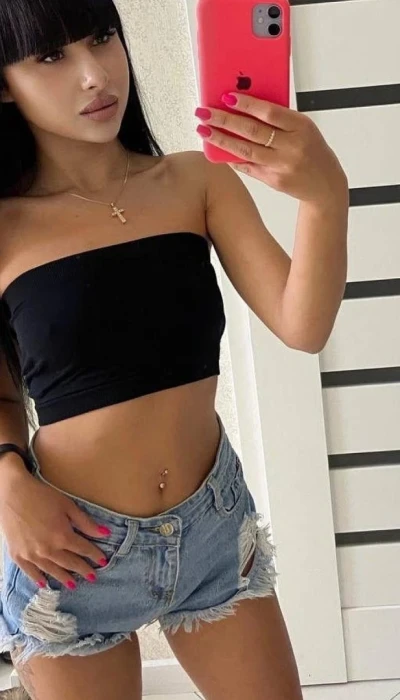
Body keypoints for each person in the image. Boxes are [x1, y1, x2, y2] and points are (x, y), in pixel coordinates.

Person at [0, 0, 349, 698]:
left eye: (102, 38)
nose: (95, 75)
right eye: (52, 56)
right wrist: (8, 483)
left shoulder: (196, 182)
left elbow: (302, 325)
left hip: (212, 527)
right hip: (69, 550)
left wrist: (325, 196)